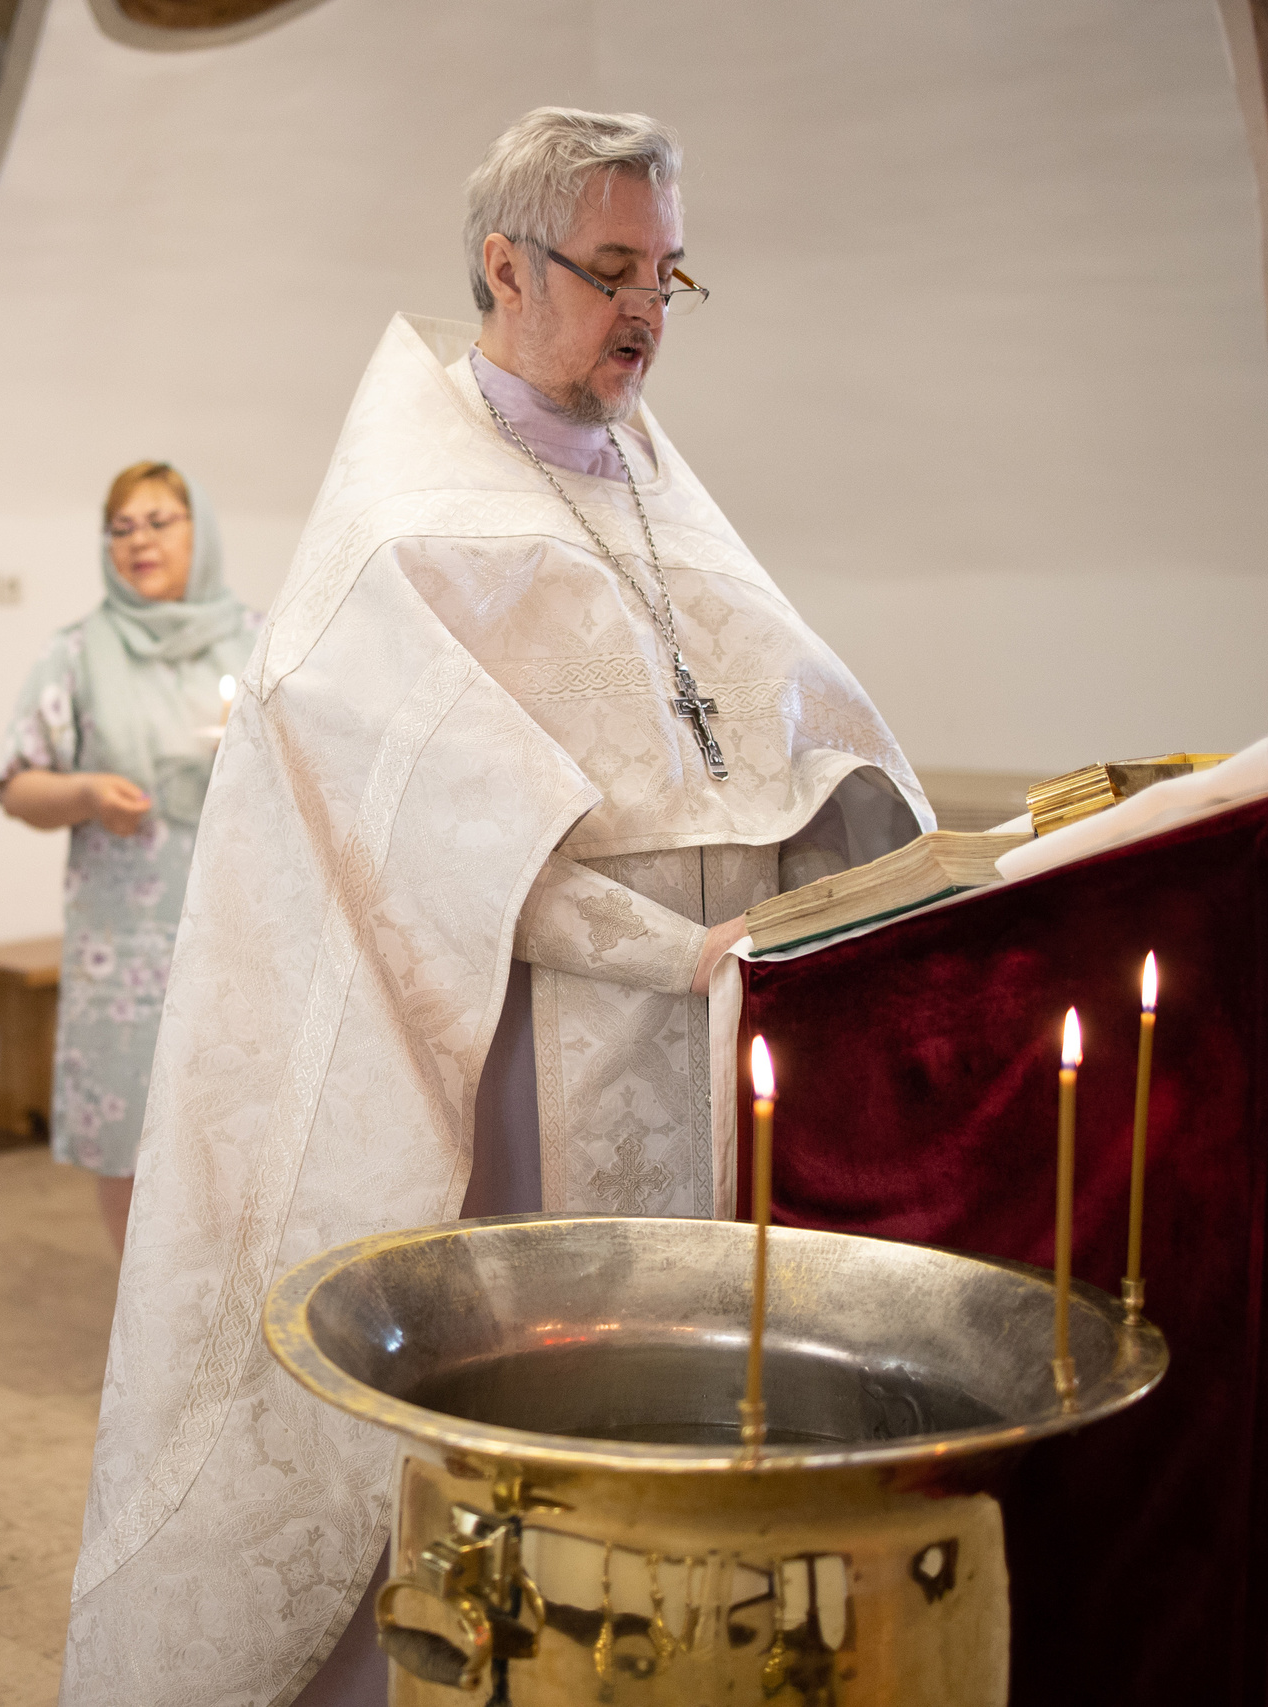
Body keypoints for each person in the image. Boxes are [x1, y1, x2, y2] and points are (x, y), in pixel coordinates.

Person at [61, 109, 933, 1705]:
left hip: (698, 1027)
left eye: (670, 274)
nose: (647, 309)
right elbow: (444, 846)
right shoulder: (406, 517)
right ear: (504, 265)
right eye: (614, 269)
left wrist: (873, 863)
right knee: (527, 1418)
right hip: (515, 1053)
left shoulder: (651, 475)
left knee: (666, 1426)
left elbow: (776, 718)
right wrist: (677, 945)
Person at [0, 462, 259, 1255]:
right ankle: (145, 1311)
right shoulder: (76, 652)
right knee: (133, 1140)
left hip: (242, 932)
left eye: (160, 520)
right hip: (126, 947)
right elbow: (16, 785)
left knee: (242, 1128)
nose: (140, 540)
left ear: (200, 531)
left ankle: (237, 1306)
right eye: (122, 527)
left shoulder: (263, 639)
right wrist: (84, 794)